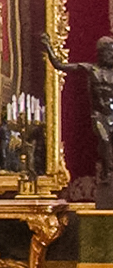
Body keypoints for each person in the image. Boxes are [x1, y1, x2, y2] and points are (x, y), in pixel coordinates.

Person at [46, 33, 113, 207]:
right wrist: (48, 48)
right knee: (105, 141)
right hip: (99, 115)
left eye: (112, 52)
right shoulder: (91, 69)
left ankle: (109, 172)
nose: (110, 56)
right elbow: (60, 65)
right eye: (107, 52)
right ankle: (107, 173)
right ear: (100, 54)